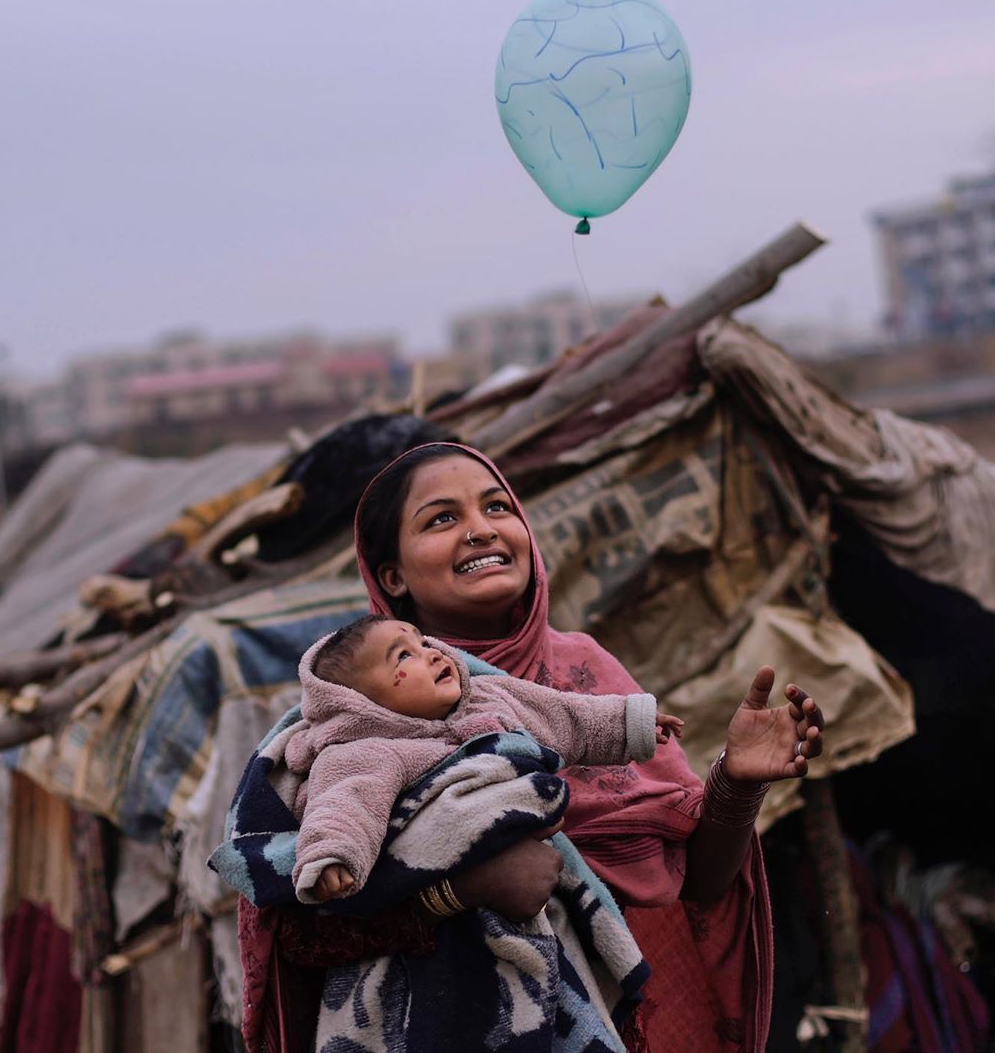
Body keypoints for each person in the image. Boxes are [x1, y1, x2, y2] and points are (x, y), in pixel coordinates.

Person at [237, 442, 825, 1053]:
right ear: (392, 575)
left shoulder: (586, 675)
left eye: (497, 506)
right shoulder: (357, 721)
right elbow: (301, 936)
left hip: (641, 1016)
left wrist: (737, 783)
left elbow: (697, 881)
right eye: (442, 518)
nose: (480, 530)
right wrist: (463, 889)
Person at [288, 614, 683, 903]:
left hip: (548, 886)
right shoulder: (366, 752)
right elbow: (344, 803)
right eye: (403, 657)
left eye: (423, 643)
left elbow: (565, 716)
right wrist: (332, 856)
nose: (431, 655)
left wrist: (631, 723)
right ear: (359, 704)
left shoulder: (489, 697)